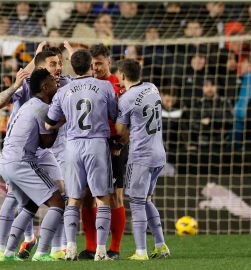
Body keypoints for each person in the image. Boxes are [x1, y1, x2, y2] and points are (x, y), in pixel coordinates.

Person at [0, 44, 73, 260]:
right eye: (52, 65)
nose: (57, 70)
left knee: (30, 204)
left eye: (59, 63)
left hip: (12, 159)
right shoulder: (34, 96)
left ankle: (9, 252)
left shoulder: (42, 96)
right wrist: (59, 123)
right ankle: (40, 252)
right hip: (24, 159)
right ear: (44, 84)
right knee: (56, 202)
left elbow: (45, 141)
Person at [46, 49, 117, 261]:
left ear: (72, 67)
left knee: (73, 199)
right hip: (96, 144)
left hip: (72, 146)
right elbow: (114, 114)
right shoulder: (105, 86)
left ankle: (69, 249)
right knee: (102, 198)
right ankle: (101, 251)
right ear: (90, 65)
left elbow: (49, 123)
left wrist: (67, 118)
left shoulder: (63, 91)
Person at [115, 59, 170, 260]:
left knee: (137, 202)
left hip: (141, 155)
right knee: (146, 200)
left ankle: (141, 251)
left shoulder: (127, 99)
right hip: (159, 153)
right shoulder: (152, 88)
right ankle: (161, 244)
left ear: (122, 75)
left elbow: (120, 131)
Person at [75, 44, 126, 260]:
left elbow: (126, 119)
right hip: (89, 145)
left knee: (114, 196)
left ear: (109, 62)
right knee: (86, 196)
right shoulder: (87, 84)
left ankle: (114, 248)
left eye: (99, 63)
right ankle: (91, 246)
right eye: (93, 64)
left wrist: (120, 144)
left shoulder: (117, 85)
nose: (95, 68)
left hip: (114, 145)